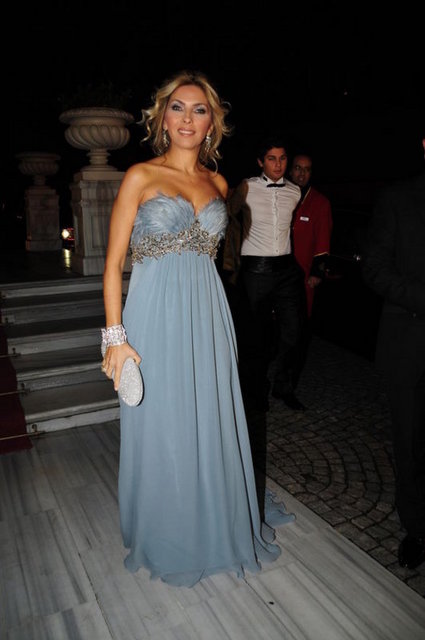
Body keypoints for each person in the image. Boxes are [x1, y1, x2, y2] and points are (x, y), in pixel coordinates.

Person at [101, 70, 290, 588]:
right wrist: (115, 338)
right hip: (153, 311)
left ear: (212, 124)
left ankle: (212, 514)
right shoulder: (140, 176)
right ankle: (167, 526)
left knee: (208, 411)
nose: (188, 118)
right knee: (162, 418)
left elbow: (215, 259)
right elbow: (113, 263)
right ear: (163, 119)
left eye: (199, 110)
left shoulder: (220, 184)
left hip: (207, 311)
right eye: (178, 108)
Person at [362, 134, 425, 571]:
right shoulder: (398, 198)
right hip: (411, 343)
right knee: (411, 442)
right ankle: (417, 529)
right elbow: (374, 268)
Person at [224, 136, 305, 412]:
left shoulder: (295, 191)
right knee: (255, 338)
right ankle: (254, 392)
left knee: (293, 332)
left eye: (282, 158)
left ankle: (283, 387)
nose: (278, 164)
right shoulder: (247, 187)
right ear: (261, 162)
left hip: (287, 271)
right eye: (272, 158)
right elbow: (228, 217)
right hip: (256, 271)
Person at [290, 152, 333, 318]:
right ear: (290, 171)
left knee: (299, 317)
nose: (302, 173)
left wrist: (317, 272)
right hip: (278, 268)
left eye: (307, 169)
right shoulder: (280, 195)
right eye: (298, 168)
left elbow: (323, 239)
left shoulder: (320, 203)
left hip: (303, 271)